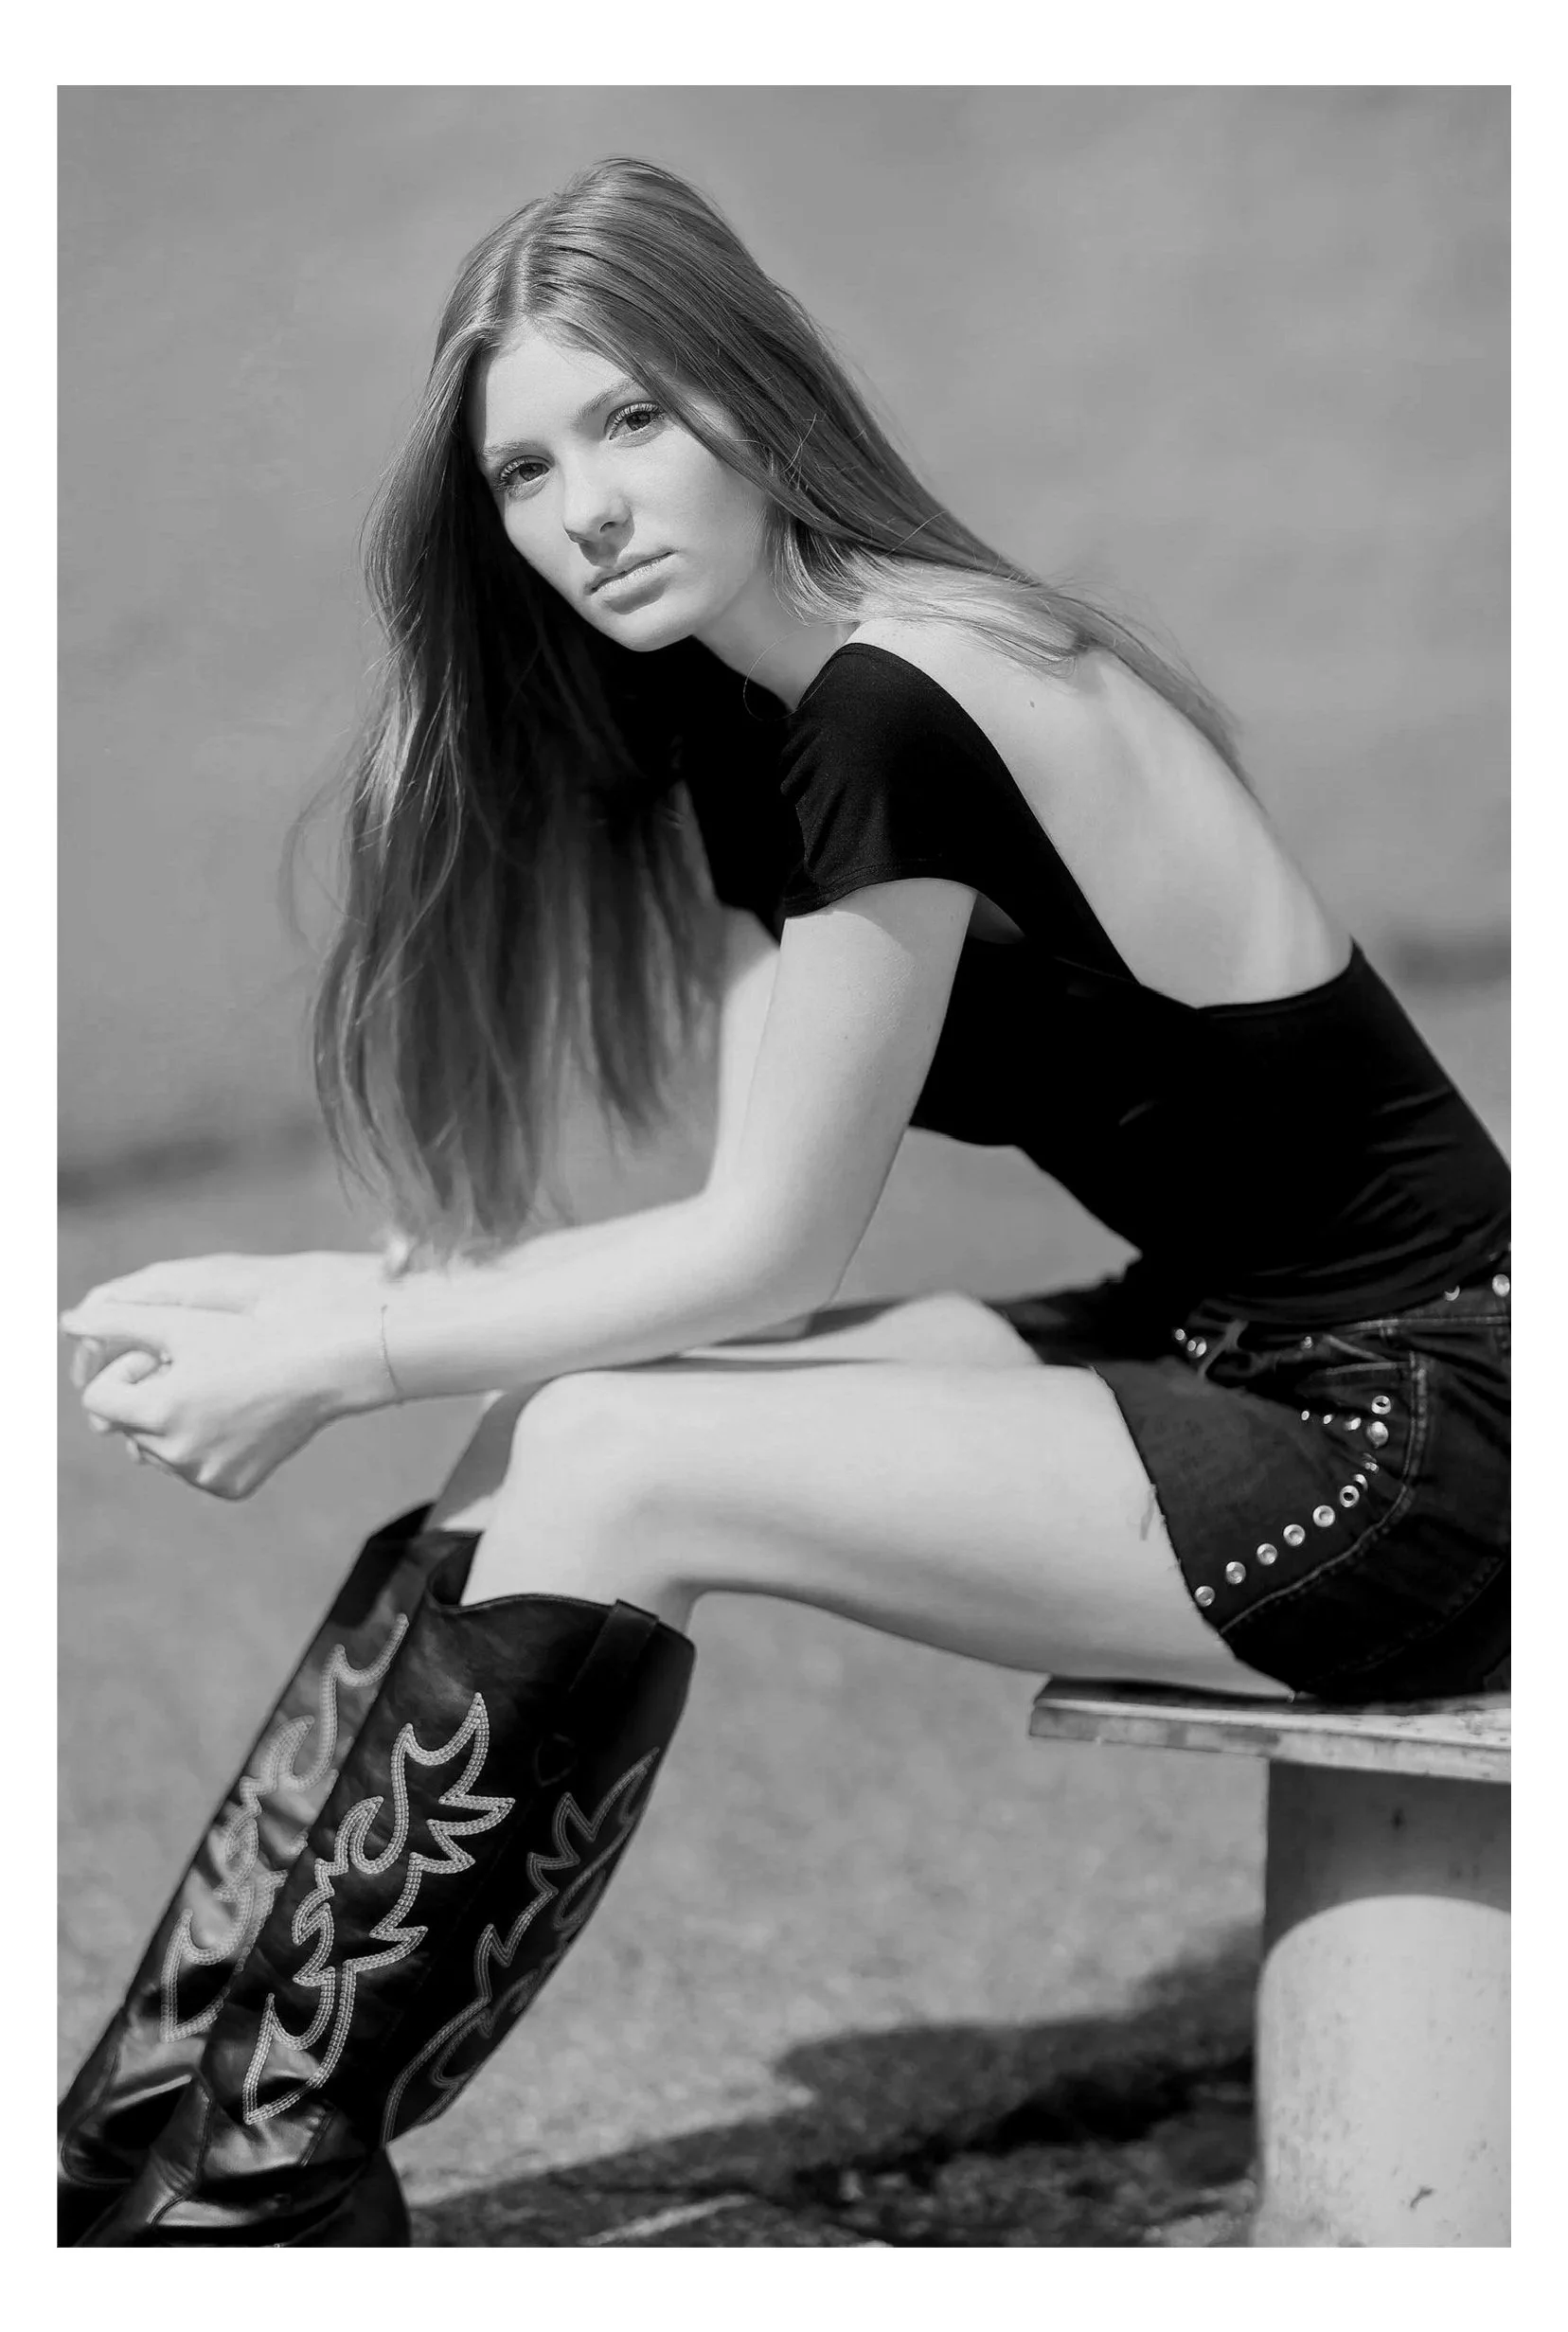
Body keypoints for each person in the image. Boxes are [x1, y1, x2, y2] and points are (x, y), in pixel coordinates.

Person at [57, 155, 1510, 2247]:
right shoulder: (762, 731)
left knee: (629, 1458)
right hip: (1216, 1335)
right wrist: (344, 1292)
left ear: (755, 395)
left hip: (1427, 1427)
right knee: (549, 1426)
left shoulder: (902, 698)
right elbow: (731, 1217)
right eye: (530, 471)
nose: (588, 511)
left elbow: (766, 1253)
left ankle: (253, 2210)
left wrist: (343, 1351)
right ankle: (143, 2138)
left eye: (633, 421)